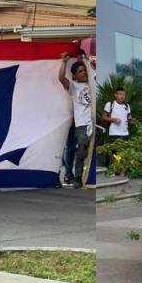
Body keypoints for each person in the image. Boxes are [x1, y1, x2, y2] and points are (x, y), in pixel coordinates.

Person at [59, 53, 92, 188]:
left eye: (84, 70)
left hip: (93, 122)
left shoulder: (92, 84)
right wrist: (64, 62)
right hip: (82, 124)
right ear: (75, 76)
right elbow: (61, 78)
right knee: (81, 150)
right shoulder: (74, 87)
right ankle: (77, 177)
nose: (83, 73)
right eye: (80, 71)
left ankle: (89, 176)